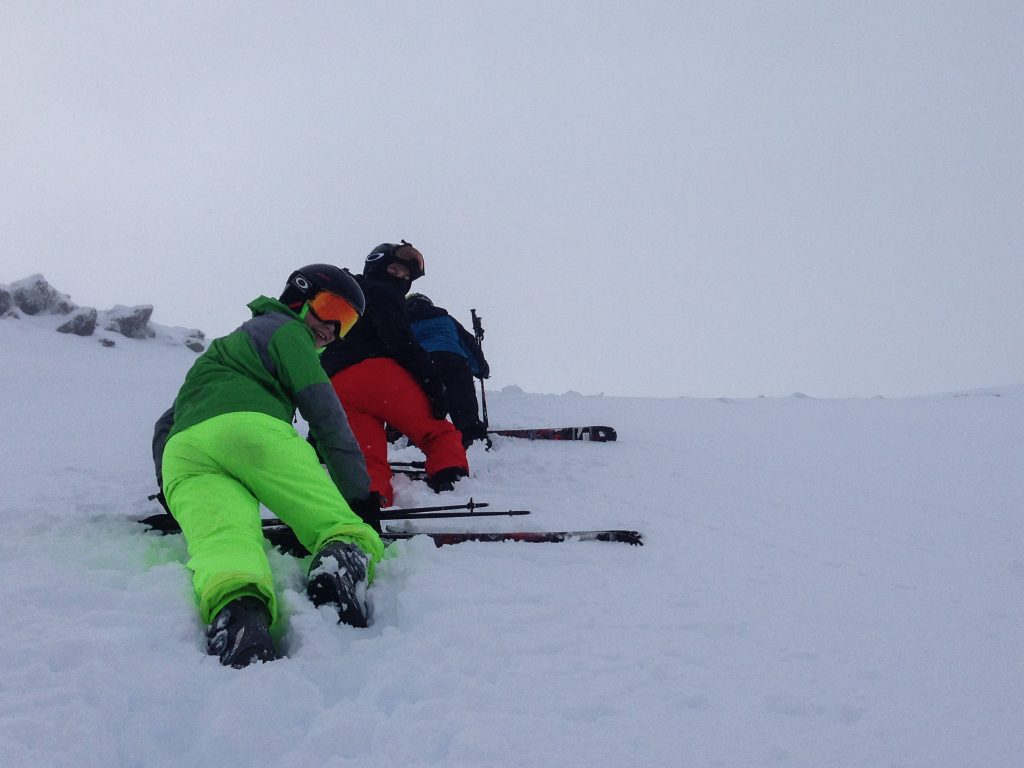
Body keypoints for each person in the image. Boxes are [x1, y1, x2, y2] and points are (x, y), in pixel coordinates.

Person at [151, 264, 385, 669]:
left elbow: (165, 425)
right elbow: (328, 418)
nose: (331, 328)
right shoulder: (287, 331)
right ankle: (340, 558)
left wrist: (174, 496)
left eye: (345, 323)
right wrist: (359, 500)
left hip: (184, 452)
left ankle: (239, 613)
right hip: (253, 431)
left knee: (224, 541)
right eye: (329, 308)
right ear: (298, 296)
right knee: (336, 524)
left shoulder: (221, 350)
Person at [321, 241, 468, 507]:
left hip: (339, 384)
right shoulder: (382, 291)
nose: (400, 278)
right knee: (436, 431)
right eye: (395, 269)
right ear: (377, 265)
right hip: (380, 376)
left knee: (365, 453)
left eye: (406, 276)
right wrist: (433, 385)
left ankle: (371, 500)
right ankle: (452, 480)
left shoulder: (343, 297)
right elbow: (399, 339)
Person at [406, 293, 490, 448]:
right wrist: (480, 368)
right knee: (463, 403)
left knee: (426, 408)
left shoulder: (405, 322)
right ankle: (473, 438)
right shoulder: (446, 319)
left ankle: (420, 443)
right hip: (454, 361)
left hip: (423, 364)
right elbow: (468, 342)